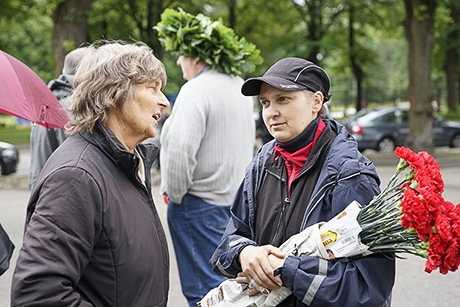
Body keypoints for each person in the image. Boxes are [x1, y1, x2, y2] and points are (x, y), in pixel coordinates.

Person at [210, 57, 395, 306]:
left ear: (316, 102)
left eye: (283, 99)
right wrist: (244, 253)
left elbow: (368, 288)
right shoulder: (261, 163)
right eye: (265, 102)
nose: (271, 112)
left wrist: (287, 270)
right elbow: (228, 243)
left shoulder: (351, 175)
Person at [11, 41, 171, 306]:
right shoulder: (76, 177)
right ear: (111, 95)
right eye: (152, 88)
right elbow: (37, 295)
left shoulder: (125, 161)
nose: (164, 101)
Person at [156, 8, 258, 307]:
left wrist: (174, 195)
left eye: (182, 54)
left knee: (205, 292)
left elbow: (179, 150)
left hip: (197, 203)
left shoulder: (195, 90)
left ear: (198, 55)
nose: (177, 61)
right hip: (234, 204)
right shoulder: (239, 86)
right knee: (230, 289)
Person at [28, 47, 89, 190]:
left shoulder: (44, 104)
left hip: (41, 189)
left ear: (63, 72)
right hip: (64, 194)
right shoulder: (77, 109)